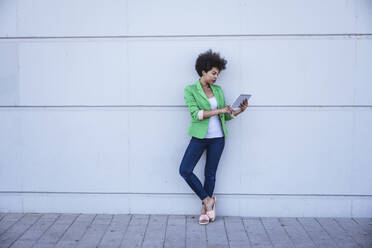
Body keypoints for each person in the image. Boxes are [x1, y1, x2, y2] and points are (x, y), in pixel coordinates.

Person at [179, 49, 248, 224]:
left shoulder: (218, 90)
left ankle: (205, 210)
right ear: (203, 71)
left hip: (218, 138)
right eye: (213, 73)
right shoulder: (190, 90)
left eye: (218, 73)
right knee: (185, 170)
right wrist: (219, 109)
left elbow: (224, 117)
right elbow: (196, 114)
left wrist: (239, 111)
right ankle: (208, 199)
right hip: (199, 137)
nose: (216, 77)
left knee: (210, 173)